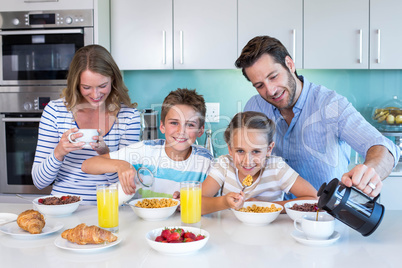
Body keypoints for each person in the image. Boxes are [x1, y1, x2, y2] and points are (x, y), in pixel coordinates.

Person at [235, 35, 400, 198]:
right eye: (259, 85)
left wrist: (370, 172)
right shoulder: (254, 107)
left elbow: (382, 147)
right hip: (271, 215)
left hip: (324, 217)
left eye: (273, 77)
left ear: (289, 64)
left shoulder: (331, 105)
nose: (270, 90)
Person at [31, 44, 141, 205]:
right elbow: (39, 182)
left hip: (109, 207)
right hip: (63, 207)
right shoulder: (55, 112)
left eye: (102, 86)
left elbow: (126, 183)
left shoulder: (128, 116)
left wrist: (105, 155)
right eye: (86, 87)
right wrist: (59, 152)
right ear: (76, 84)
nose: (95, 95)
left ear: (113, 80)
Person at [81, 88, 213, 198]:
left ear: (200, 130)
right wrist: (120, 165)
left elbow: (209, 202)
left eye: (190, 125)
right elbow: (87, 165)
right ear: (162, 126)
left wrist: (188, 200)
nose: (181, 131)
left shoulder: (205, 161)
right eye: (174, 123)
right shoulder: (145, 150)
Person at [201, 111, 317, 215]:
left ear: (269, 149)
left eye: (256, 151)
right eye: (240, 151)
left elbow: (315, 199)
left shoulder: (276, 167)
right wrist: (224, 202)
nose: (247, 161)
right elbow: (195, 203)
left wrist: (266, 207)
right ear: (230, 149)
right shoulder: (224, 164)